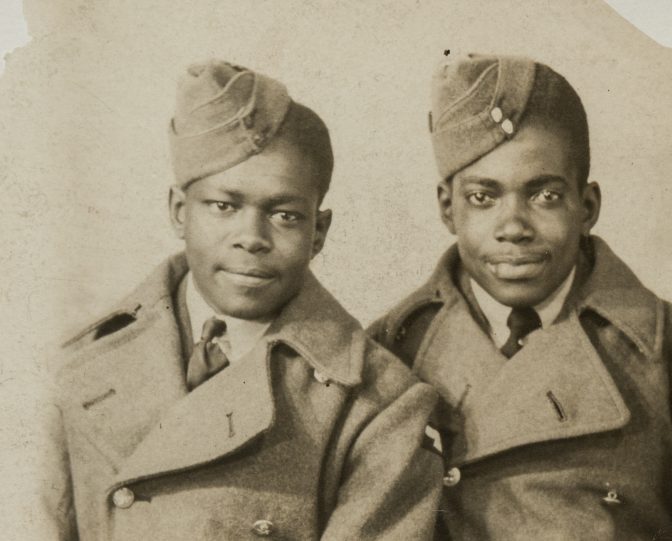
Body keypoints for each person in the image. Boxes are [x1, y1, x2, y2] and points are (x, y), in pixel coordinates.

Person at [41, 59, 444, 540]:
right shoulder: (76, 364)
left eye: (285, 215)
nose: (250, 237)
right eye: (224, 206)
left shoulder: (377, 406)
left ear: (320, 231)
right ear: (178, 211)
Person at [369, 54, 672, 539]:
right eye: (483, 197)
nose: (513, 227)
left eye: (544, 196)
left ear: (588, 206)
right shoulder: (384, 356)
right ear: (447, 208)